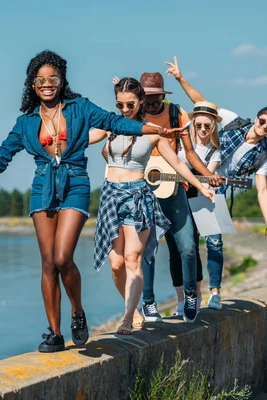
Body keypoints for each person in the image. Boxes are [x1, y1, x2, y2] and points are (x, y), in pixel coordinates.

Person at [0, 50, 181, 353]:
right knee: (47, 262)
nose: (47, 84)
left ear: (61, 80)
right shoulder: (25, 122)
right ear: (32, 85)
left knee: (63, 257)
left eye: (52, 78)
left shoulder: (80, 108)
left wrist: (153, 128)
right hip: (43, 186)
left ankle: (77, 311)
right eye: (40, 80)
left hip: (75, 184)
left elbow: (115, 122)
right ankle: (54, 333)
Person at [92, 78, 215, 334]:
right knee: (116, 264)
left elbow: (179, 164)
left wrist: (201, 185)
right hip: (111, 196)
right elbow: (82, 136)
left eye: (129, 105)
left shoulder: (153, 133)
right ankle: (135, 308)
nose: (124, 110)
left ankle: (128, 317)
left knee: (133, 258)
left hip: (138, 196)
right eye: (119, 105)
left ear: (140, 104)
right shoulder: (110, 126)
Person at [165, 56, 267, 246]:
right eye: (262, 121)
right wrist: (180, 78)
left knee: (214, 242)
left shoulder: (263, 154)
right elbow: (203, 103)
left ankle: (210, 277)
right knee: (186, 240)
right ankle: (192, 276)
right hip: (193, 175)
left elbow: (262, 190)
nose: (264, 126)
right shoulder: (234, 121)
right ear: (256, 119)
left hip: (216, 189)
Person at [137, 72, 224, 324]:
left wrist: (207, 176)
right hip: (144, 190)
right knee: (148, 250)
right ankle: (149, 302)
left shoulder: (177, 113)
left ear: (163, 97)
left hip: (175, 189)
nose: (151, 106)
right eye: (147, 101)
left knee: (187, 248)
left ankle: (190, 296)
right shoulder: (134, 114)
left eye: (155, 101)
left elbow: (189, 153)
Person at [177, 101, 226, 311]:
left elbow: (208, 173)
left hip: (207, 195)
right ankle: (194, 295)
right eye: (199, 126)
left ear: (214, 126)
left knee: (214, 243)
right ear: (193, 124)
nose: (203, 130)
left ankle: (215, 292)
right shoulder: (180, 144)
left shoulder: (216, 151)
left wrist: (208, 177)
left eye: (208, 126)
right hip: (182, 195)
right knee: (190, 245)